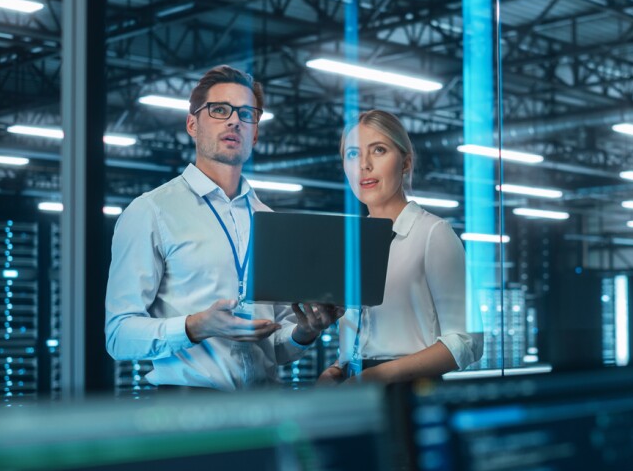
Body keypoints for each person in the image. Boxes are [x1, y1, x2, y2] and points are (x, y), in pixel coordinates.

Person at [105, 65, 340, 390]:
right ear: (192, 124)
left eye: (247, 114)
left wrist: (305, 332)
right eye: (219, 110)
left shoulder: (269, 220)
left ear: (255, 132)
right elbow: (118, 336)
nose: (234, 120)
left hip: (266, 407)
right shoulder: (151, 211)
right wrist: (196, 326)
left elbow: (277, 349)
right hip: (189, 413)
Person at [318, 110, 482, 384]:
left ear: (405, 163)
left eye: (378, 150)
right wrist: (338, 367)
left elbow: (467, 341)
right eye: (353, 154)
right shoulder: (351, 244)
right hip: (355, 388)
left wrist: (379, 375)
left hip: (410, 388)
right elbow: (365, 337)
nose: (364, 165)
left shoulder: (432, 234)